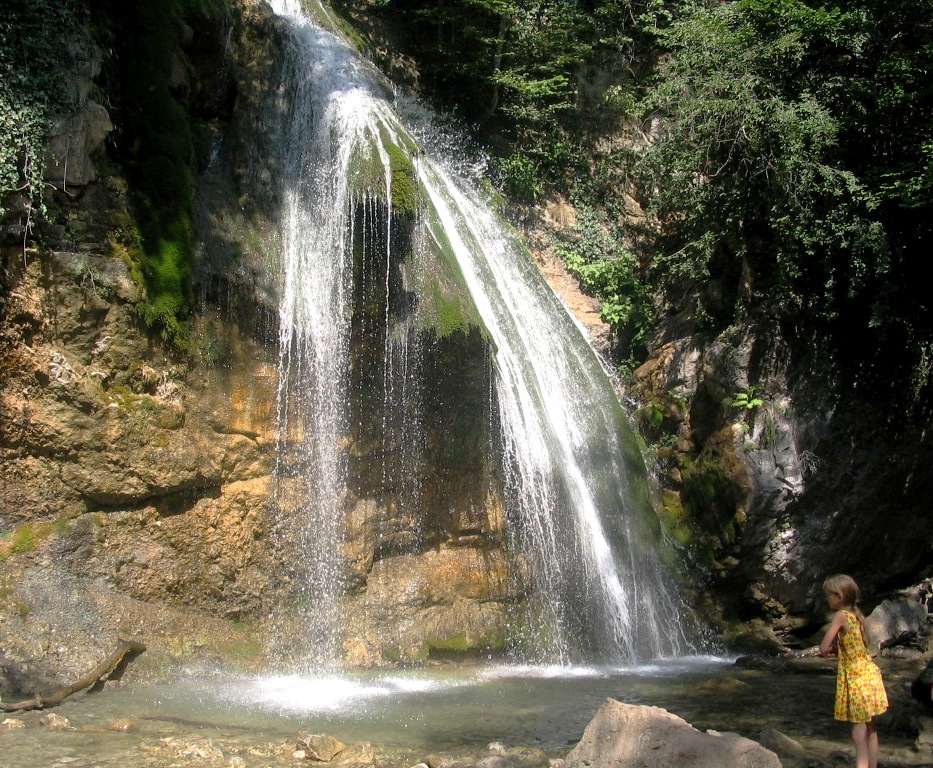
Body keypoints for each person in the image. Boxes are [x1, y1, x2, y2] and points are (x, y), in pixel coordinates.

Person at [819, 574, 889, 768]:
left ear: (839, 597)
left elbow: (823, 647)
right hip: (870, 675)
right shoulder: (857, 615)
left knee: (857, 733)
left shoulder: (841, 616)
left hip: (857, 678)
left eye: (829, 595)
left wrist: (830, 651)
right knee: (870, 729)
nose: (827, 599)